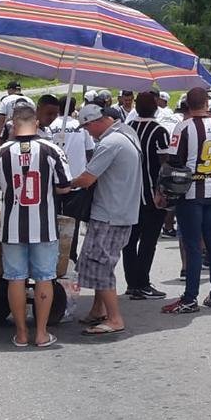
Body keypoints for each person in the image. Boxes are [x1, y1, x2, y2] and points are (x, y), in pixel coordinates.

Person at [0, 103, 71, 348]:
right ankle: (40, 333)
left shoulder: (1, 152)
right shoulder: (51, 149)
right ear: (36, 123)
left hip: (12, 227)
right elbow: (64, 187)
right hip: (45, 226)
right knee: (44, 277)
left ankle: (20, 333)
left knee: (15, 278)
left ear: (13, 125)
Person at [65, 104, 142, 335]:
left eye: (88, 128)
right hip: (121, 210)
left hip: (109, 213)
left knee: (100, 264)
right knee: (101, 262)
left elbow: (87, 179)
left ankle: (114, 318)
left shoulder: (110, 143)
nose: (89, 133)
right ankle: (98, 310)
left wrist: (65, 184)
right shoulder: (127, 134)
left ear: (95, 122)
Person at [161, 87, 211, 314]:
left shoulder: (182, 127)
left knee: (193, 245)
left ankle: (190, 297)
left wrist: (162, 191)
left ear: (187, 105)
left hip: (190, 192)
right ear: (207, 104)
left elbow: (173, 162)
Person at [124, 92, 171, 299]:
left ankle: (132, 283)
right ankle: (142, 283)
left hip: (129, 194)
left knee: (130, 240)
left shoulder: (128, 129)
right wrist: (162, 192)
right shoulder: (159, 131)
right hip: (151, 195)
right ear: (155, 107)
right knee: (148, 240)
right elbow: (164, 166)